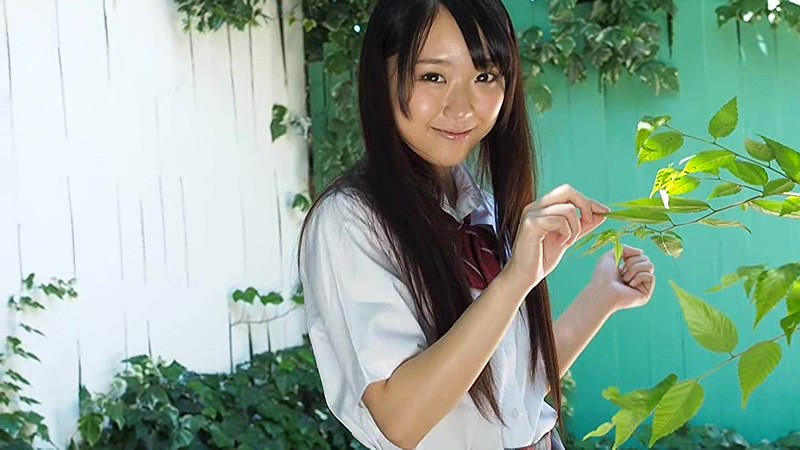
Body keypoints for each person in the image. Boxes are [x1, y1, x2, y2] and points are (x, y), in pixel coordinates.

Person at [297, 0, 656, 449]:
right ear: (379, 79)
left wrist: (601, 297)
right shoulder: (350, 222)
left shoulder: (483, 211)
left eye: (485, 76)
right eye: (433, 76)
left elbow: (510, 392)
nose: (463, 107)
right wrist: (514, 280)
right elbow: (402, 419)